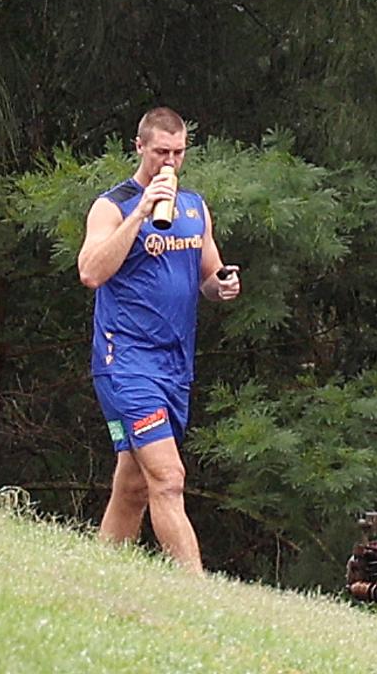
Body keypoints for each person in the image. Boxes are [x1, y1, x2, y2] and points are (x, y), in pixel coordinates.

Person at [77, 107, 241, 573]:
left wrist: (223, 285)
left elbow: (209, 275)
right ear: (140, 147)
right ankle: (197, 593)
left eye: (178, 153)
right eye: (160, 152)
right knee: (168, 479)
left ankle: (103, 576)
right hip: (125, 362)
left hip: (175, 365)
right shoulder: (113, 206)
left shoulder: (194, 207)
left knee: (132, 486)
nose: (169, 163)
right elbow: (90, 271)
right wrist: (143, 211)